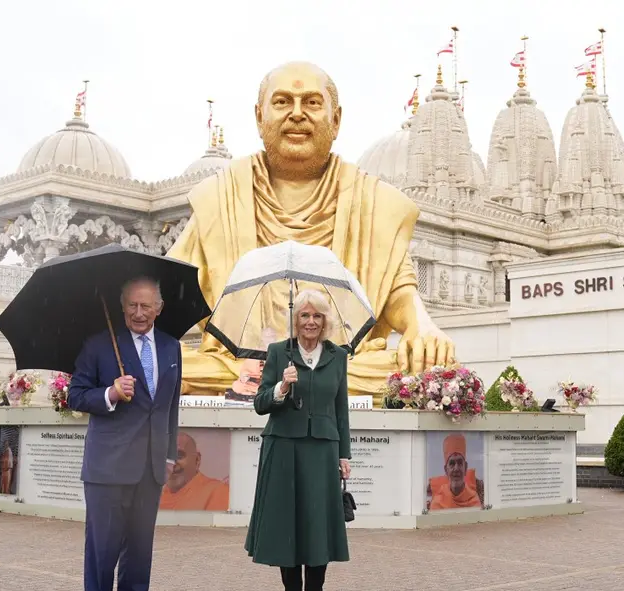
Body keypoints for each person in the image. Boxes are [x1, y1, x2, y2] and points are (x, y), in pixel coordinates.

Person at [168, 61, 456, 402]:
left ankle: (295, 380)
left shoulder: (373, 201)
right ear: (260, 117)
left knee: (420, 368)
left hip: (341, 361)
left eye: (312, 103)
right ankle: (279, 380)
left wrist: (421, 326)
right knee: (164, 363)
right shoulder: (220, 197)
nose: (297, 114)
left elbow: (399, 292)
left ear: (335, 120)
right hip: (238, 362)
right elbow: (172, 291)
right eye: (282, 102)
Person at [68, 277, 182, 591]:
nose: (138, 313)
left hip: (150, 467)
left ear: (158, 308)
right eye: (132, 305)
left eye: (146, 306)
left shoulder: (170, 347)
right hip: (108, 467)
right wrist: (110, 393)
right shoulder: (100, 345)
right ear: (122, 306)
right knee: (102, 549)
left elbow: (169, 408)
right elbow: (76, 395)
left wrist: (168, 455)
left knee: (140, 548)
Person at [245, 288, 352, 591]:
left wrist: (344, 454)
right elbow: (261, 403)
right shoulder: (279, 353)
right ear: (296, 319)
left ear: (325, 321)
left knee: (316, 530)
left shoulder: (338, 357)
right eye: (304, 315)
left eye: (316, 316)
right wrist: (280, 387)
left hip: (322, 450)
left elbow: (341, 409)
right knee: (287, 530)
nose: (310, 322)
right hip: (283, 449)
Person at [159, 431, 230, 510]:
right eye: (165, 457)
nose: (171, 465)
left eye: (179, 456)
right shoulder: (156, 497)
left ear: (197, 460)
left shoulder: (217, 491)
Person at [429, 434, 481, 510]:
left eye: (460, 463)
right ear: (446, 470)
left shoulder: (474, 500)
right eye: (452, 463)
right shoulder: (437, 503)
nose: (456, 468)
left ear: (465, 467)